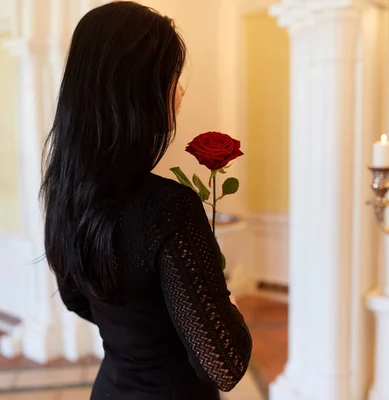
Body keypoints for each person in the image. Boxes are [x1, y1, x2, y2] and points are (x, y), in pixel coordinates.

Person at [39, 2, 252, 399]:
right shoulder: (170, 208)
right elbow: (225, 365)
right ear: (136, 89)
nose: (181, 90)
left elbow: (75, 299)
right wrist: (227, 305)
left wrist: (138, 332)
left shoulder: (66, 190)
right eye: (170, 76)